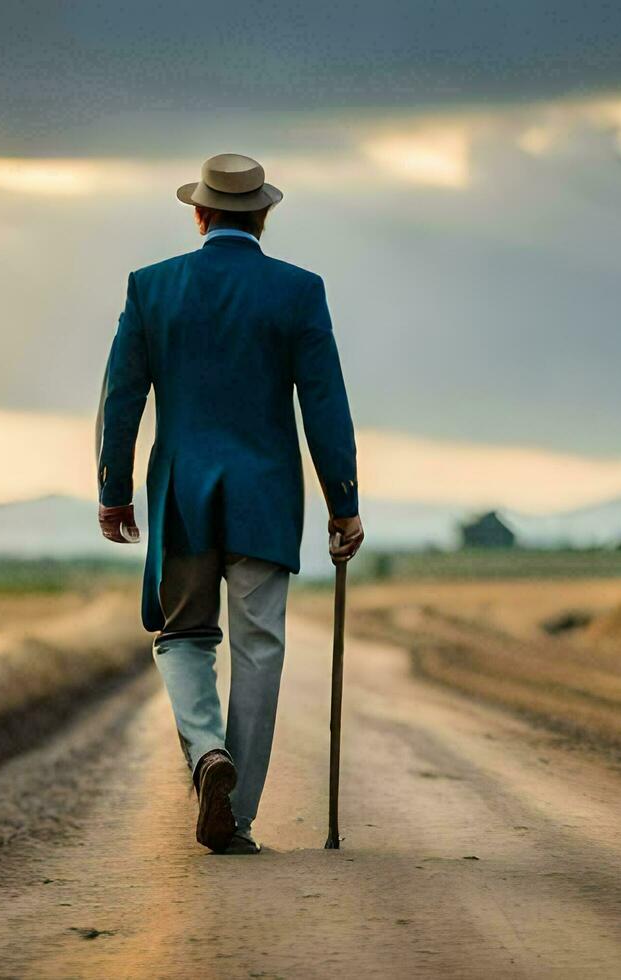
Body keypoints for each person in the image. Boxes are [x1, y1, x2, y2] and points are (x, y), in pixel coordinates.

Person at [95, 152, 364, 855]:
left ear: (199, 213)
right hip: (266, 499)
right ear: (264, 216)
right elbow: (326, 404)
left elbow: (123, 396)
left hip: (182, 492)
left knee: (183, 637)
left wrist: (113, 491)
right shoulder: (299, 291)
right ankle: (236, 814)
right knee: (259, 650)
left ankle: (207, 752)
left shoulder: (151, 288)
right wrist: (344, 502)